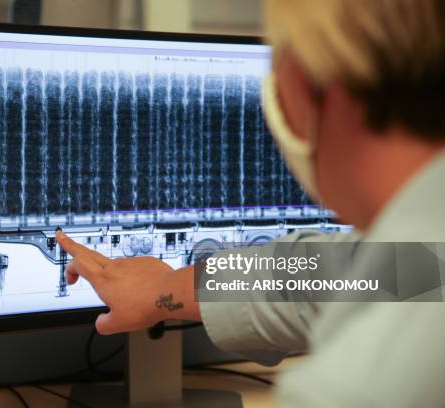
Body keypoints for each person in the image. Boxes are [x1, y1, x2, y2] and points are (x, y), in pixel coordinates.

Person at [57, 0, 445, 406]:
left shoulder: (358, 388)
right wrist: (165, 287)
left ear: (303, 80)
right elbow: (332, 275)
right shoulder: (425, 254)